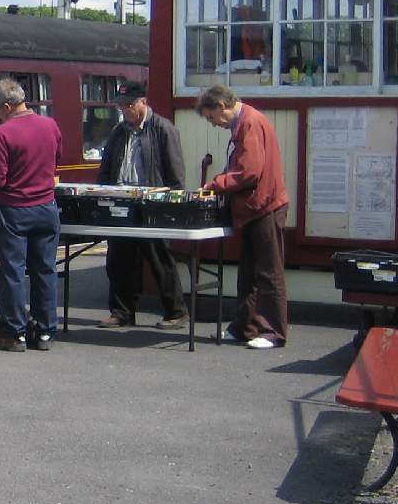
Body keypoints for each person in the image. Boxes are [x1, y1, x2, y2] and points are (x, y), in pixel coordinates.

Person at [197, 84, 290, 350]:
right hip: (254, 207)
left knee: (268, 272)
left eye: (211, 117)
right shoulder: (246, 122)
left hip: (264, 206)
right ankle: (245, 327)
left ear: (221, 107)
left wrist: (217, 183)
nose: (213, 123)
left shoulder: (249, 123)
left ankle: (273, 331)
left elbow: (249, 170)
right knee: (249, 272)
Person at [95, 81, 188, 330]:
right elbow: (106, 168)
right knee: (118, 261)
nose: (125, 110)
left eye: (129, 105)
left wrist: (172, 205)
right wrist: (101, 193)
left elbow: (175, 172)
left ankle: (176, 312)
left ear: (143, 102)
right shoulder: (119, 131)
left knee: (159, 260)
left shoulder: (162, 129)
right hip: (122, 202)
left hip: (151, 203)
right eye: (121, 106)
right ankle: (121, 312)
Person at [0, 78, 62, 352]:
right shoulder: (50, 125)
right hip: (46, 207)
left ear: (7, 106)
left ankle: (15, 331)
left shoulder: (2, 134)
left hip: (14, 209)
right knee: (45, 269)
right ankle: (45, 331)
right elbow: (56, 159)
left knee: (13, 271)